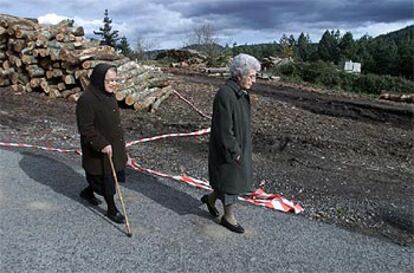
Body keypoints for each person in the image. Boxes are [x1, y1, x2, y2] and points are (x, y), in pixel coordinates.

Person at [201, 53, 261, 233]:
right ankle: (228, 217)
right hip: (228, 148)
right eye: (251, 76)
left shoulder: (241, 94)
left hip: (239, 144)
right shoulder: (225, 95)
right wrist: (234, 150)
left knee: (227, 180)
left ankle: (210, 200)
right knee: (230, 182)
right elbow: (223, 129)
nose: (254, 80)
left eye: (254, 76)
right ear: (239, 74)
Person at [76, 63, 128, 224]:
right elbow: (85, 128)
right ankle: (112, 209)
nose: (113, 84)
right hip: (99, 148)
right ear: (99, 80)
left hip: (115, 145)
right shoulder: (87, 100)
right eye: (109, 80)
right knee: (106, 180)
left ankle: (87, 192)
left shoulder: (109, 94)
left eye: (114, 80)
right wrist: (101, 144)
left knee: (114, 175)